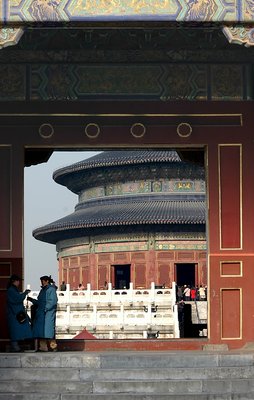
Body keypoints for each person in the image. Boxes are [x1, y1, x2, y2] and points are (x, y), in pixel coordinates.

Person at [27, 275, 58, 352]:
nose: (42, 282)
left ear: (47, 281)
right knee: (40, 331)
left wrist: (45, 308)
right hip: (41, 313)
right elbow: (39, 302)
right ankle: (43, 347)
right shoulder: (42, 290)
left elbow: (53, 301)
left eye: (43, 280)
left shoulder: (51, 289)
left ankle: (53, 347)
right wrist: (32, 300)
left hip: (48, 313)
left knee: (49, 331)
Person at [6, 274, 32, 352]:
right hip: (15, 314)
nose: (19, 283)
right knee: (15, 331)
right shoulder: (11, 290)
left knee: (16, 331)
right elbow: (18, 299)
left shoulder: (13, 290)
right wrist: (24, 293)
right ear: (14, 281)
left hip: (15, 313)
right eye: (18, 281)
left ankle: (16, 346)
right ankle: (15, 346)